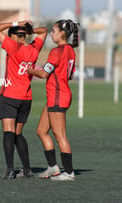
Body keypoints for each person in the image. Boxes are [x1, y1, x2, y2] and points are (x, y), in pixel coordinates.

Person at [0, 20, 47, 179]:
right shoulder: (34, 49)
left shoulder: (13, 47)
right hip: (26, 97)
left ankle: (10, 169)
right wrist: (30, 30)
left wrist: (17, 23)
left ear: (14, 37)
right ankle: (27, 169)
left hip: (10, 95)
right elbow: (44, 31)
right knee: (18, 133)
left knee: (8, 133)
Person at [27, 19, 79, 181]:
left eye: (54, 31)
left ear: (62, 33)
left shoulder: (57, 51)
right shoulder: (70, 50)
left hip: (58, 96)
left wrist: (30, 70)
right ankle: (53, 167)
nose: (51, 33)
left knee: (59, 135)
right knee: (41, 131)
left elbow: (44, 74)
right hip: (57, 95)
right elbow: (67, 74)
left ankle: (69, 173)